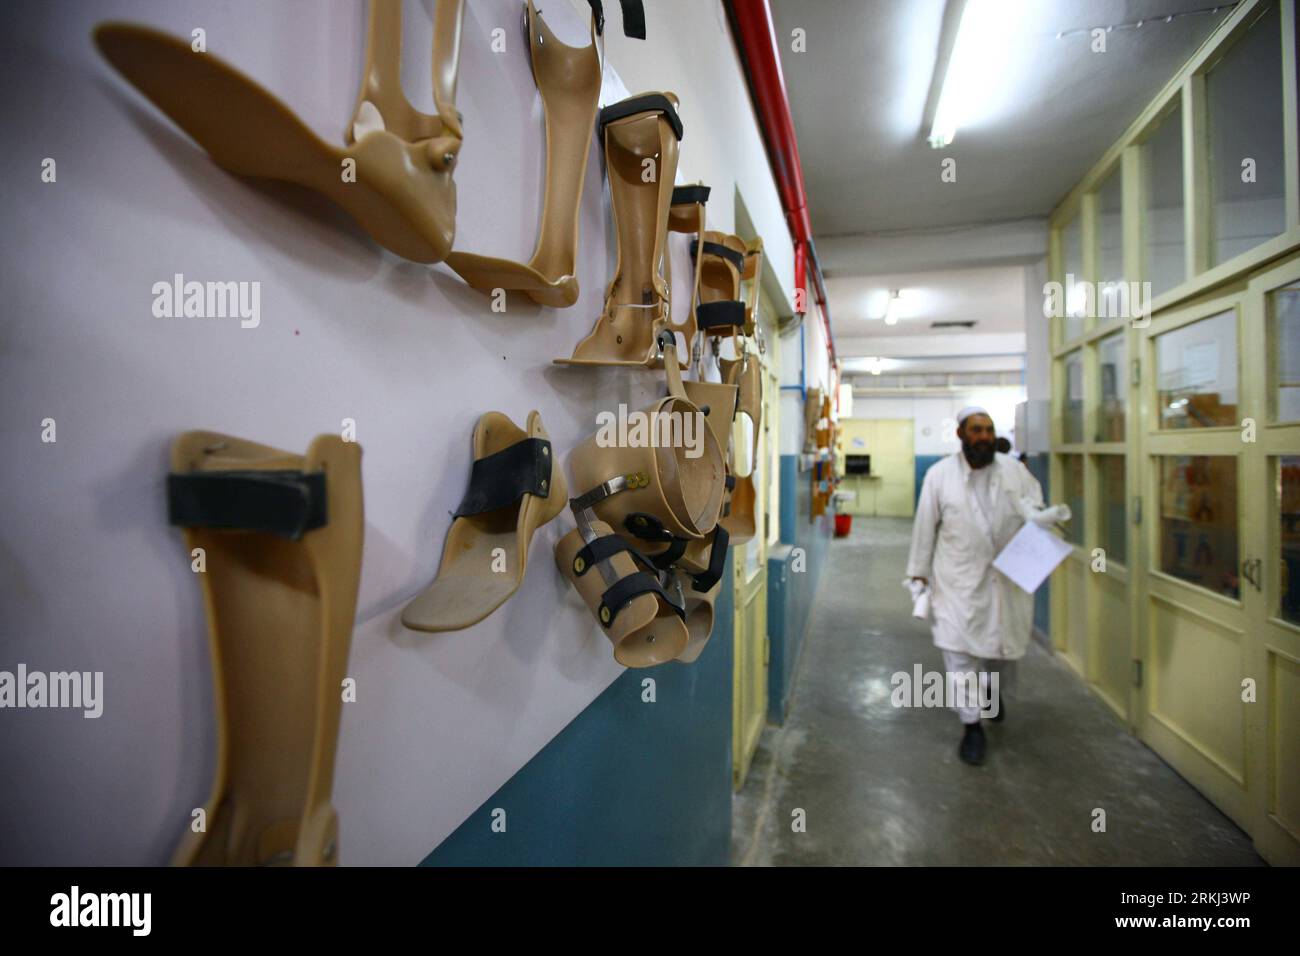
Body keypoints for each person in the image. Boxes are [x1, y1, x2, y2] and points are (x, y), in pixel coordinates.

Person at [906, 406, 1044, 765]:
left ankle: (990, 694)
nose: (983, 436)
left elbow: (1038, 510)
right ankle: (972, 727)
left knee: (999, 650)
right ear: (960, 435)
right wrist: (918, 572)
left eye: (988, 430)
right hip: (957, 580)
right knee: (959, 653)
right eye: (976, 430)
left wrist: (1044, 523)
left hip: (1005, 580)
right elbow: (925, 527)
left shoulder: (1016, 473)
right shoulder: (939, 476)